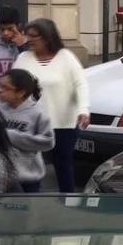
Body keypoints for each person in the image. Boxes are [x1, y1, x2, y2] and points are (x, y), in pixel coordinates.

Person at [13, 19, 89, 193]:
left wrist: (83, 110)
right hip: (32, 124)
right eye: (27, 35)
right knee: (30, 167)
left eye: (33, 36)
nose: (28, 39)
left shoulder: (66, 58)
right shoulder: (23, 59)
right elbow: (13, 86)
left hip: (63, 123)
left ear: (47, 38)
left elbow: (81, 85)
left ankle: (68, 203)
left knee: (63, 164)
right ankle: (31, 205)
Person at [0, 69, 54, 193]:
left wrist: (11, 136)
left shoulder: (38, 112)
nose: (0, 90)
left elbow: (48, 142)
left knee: (28, 210)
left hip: (29, 177)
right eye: (0, 86)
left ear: (21, 92)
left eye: (6, 88)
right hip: (3, 175)